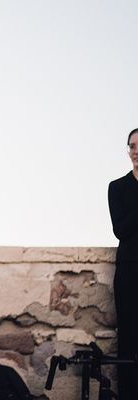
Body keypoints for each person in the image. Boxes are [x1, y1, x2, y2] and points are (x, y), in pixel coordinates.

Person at [108, 127, 138, 399]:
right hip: (130, 269)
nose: (136, 150)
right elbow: (121, 230)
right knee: (128, 335)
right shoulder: (117, 187)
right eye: (132, 146)